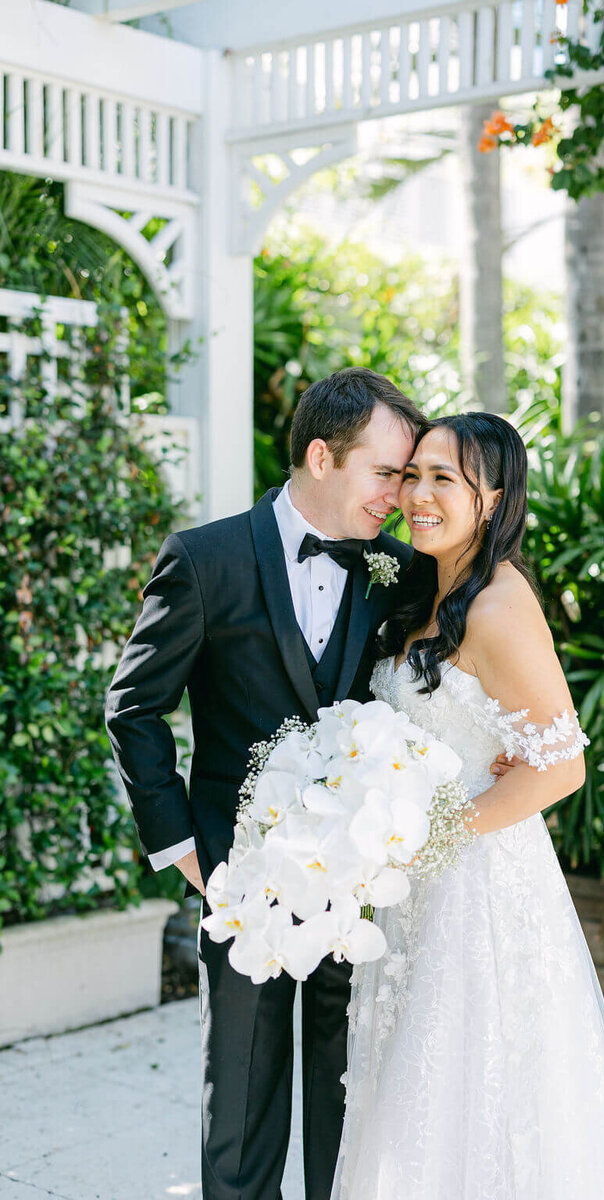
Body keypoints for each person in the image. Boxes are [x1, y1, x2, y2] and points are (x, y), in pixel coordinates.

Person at [331, 412, 604, 1200]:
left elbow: (561, 769)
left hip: (474, 887)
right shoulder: (426, 586)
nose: (417, 493)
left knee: (476, 1087)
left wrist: (429, 838)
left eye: (442, 479)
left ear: (491, 500)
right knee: (412, 1086)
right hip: (412, 884)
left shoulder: (497, 604)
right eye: (412, 474)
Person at [105, 368, 425, 1200]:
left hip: (358, 883)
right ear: (322, 455)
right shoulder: (204, 559)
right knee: (242, 1089)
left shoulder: (398, 569)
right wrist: (186, 851)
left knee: (345, 1082)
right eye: (385, 472)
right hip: (238, 874)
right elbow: (135, 708)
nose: (398, 495)